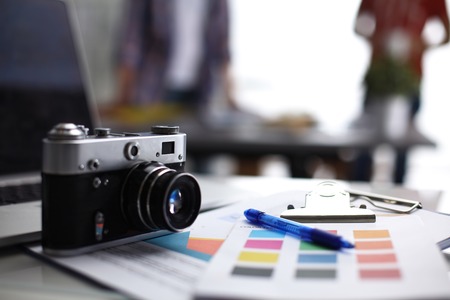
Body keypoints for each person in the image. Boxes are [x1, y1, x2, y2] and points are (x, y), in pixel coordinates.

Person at [353, 0, 450, 183]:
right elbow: (358, 25)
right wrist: (376, 39)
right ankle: (356, 197)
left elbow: (446, 34)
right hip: (377, 76)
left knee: (403, 147)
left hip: (410, 79)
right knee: (365, 144)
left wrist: (420, 45)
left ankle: (399, 204)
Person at [115, 0, 237, 117]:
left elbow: (222, 45)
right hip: (155, 88)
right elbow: (132, 43)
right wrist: (125, 94)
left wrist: (230, 94)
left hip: (200, 89)